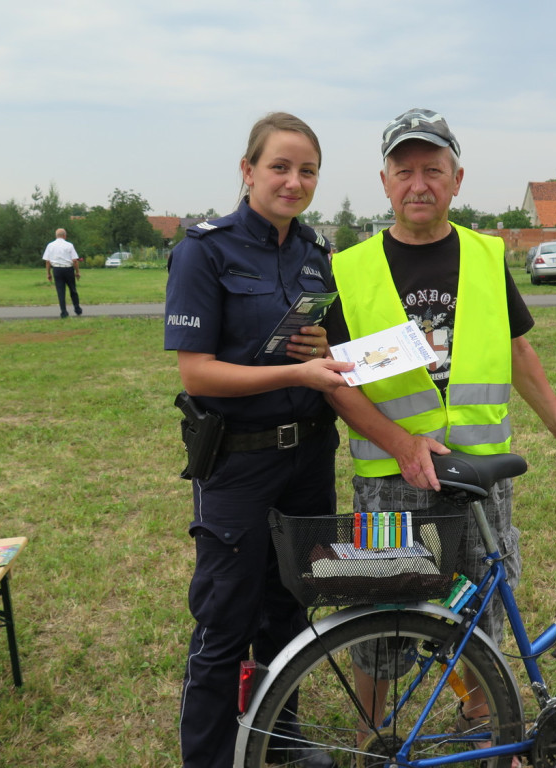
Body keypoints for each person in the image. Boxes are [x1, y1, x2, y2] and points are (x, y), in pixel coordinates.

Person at [324, 107, 556, 745]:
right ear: (385, 181)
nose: (418, 184)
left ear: (457, 178)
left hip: (480, 475)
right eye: (404, 171)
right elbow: (335, 381)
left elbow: (516, 348)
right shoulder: (348, 269)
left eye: (433, 170)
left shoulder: (485, 255)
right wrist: (400, 443)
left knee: (481, 612)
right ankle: (374, 738)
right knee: (382, 620)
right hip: (390, 476)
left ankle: (482, 723)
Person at [164, 112, 353, 768]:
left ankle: (281, 740)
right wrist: (296, 372)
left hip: (310, 456)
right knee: (226, 619)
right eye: (280, 167)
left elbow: (335, 352)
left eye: (307, 171)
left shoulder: (316, 254)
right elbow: (197, 372)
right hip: (239, 462)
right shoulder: (204, 251)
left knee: (292, 608)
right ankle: (210, 757)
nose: (293, 181)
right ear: (248, 171)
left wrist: (324, 350)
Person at [42, 228, 83, 318]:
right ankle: (77, 309)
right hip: (68, 269)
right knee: (73, 289)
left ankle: (64, 312)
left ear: (56, 236)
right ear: (64, 235)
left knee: (60, 291)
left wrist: (48, 273)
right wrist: (77, 272)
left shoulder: (50, 245)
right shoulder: (69, 245)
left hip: (57, 270)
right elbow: (75, 260)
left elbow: (47, 261)